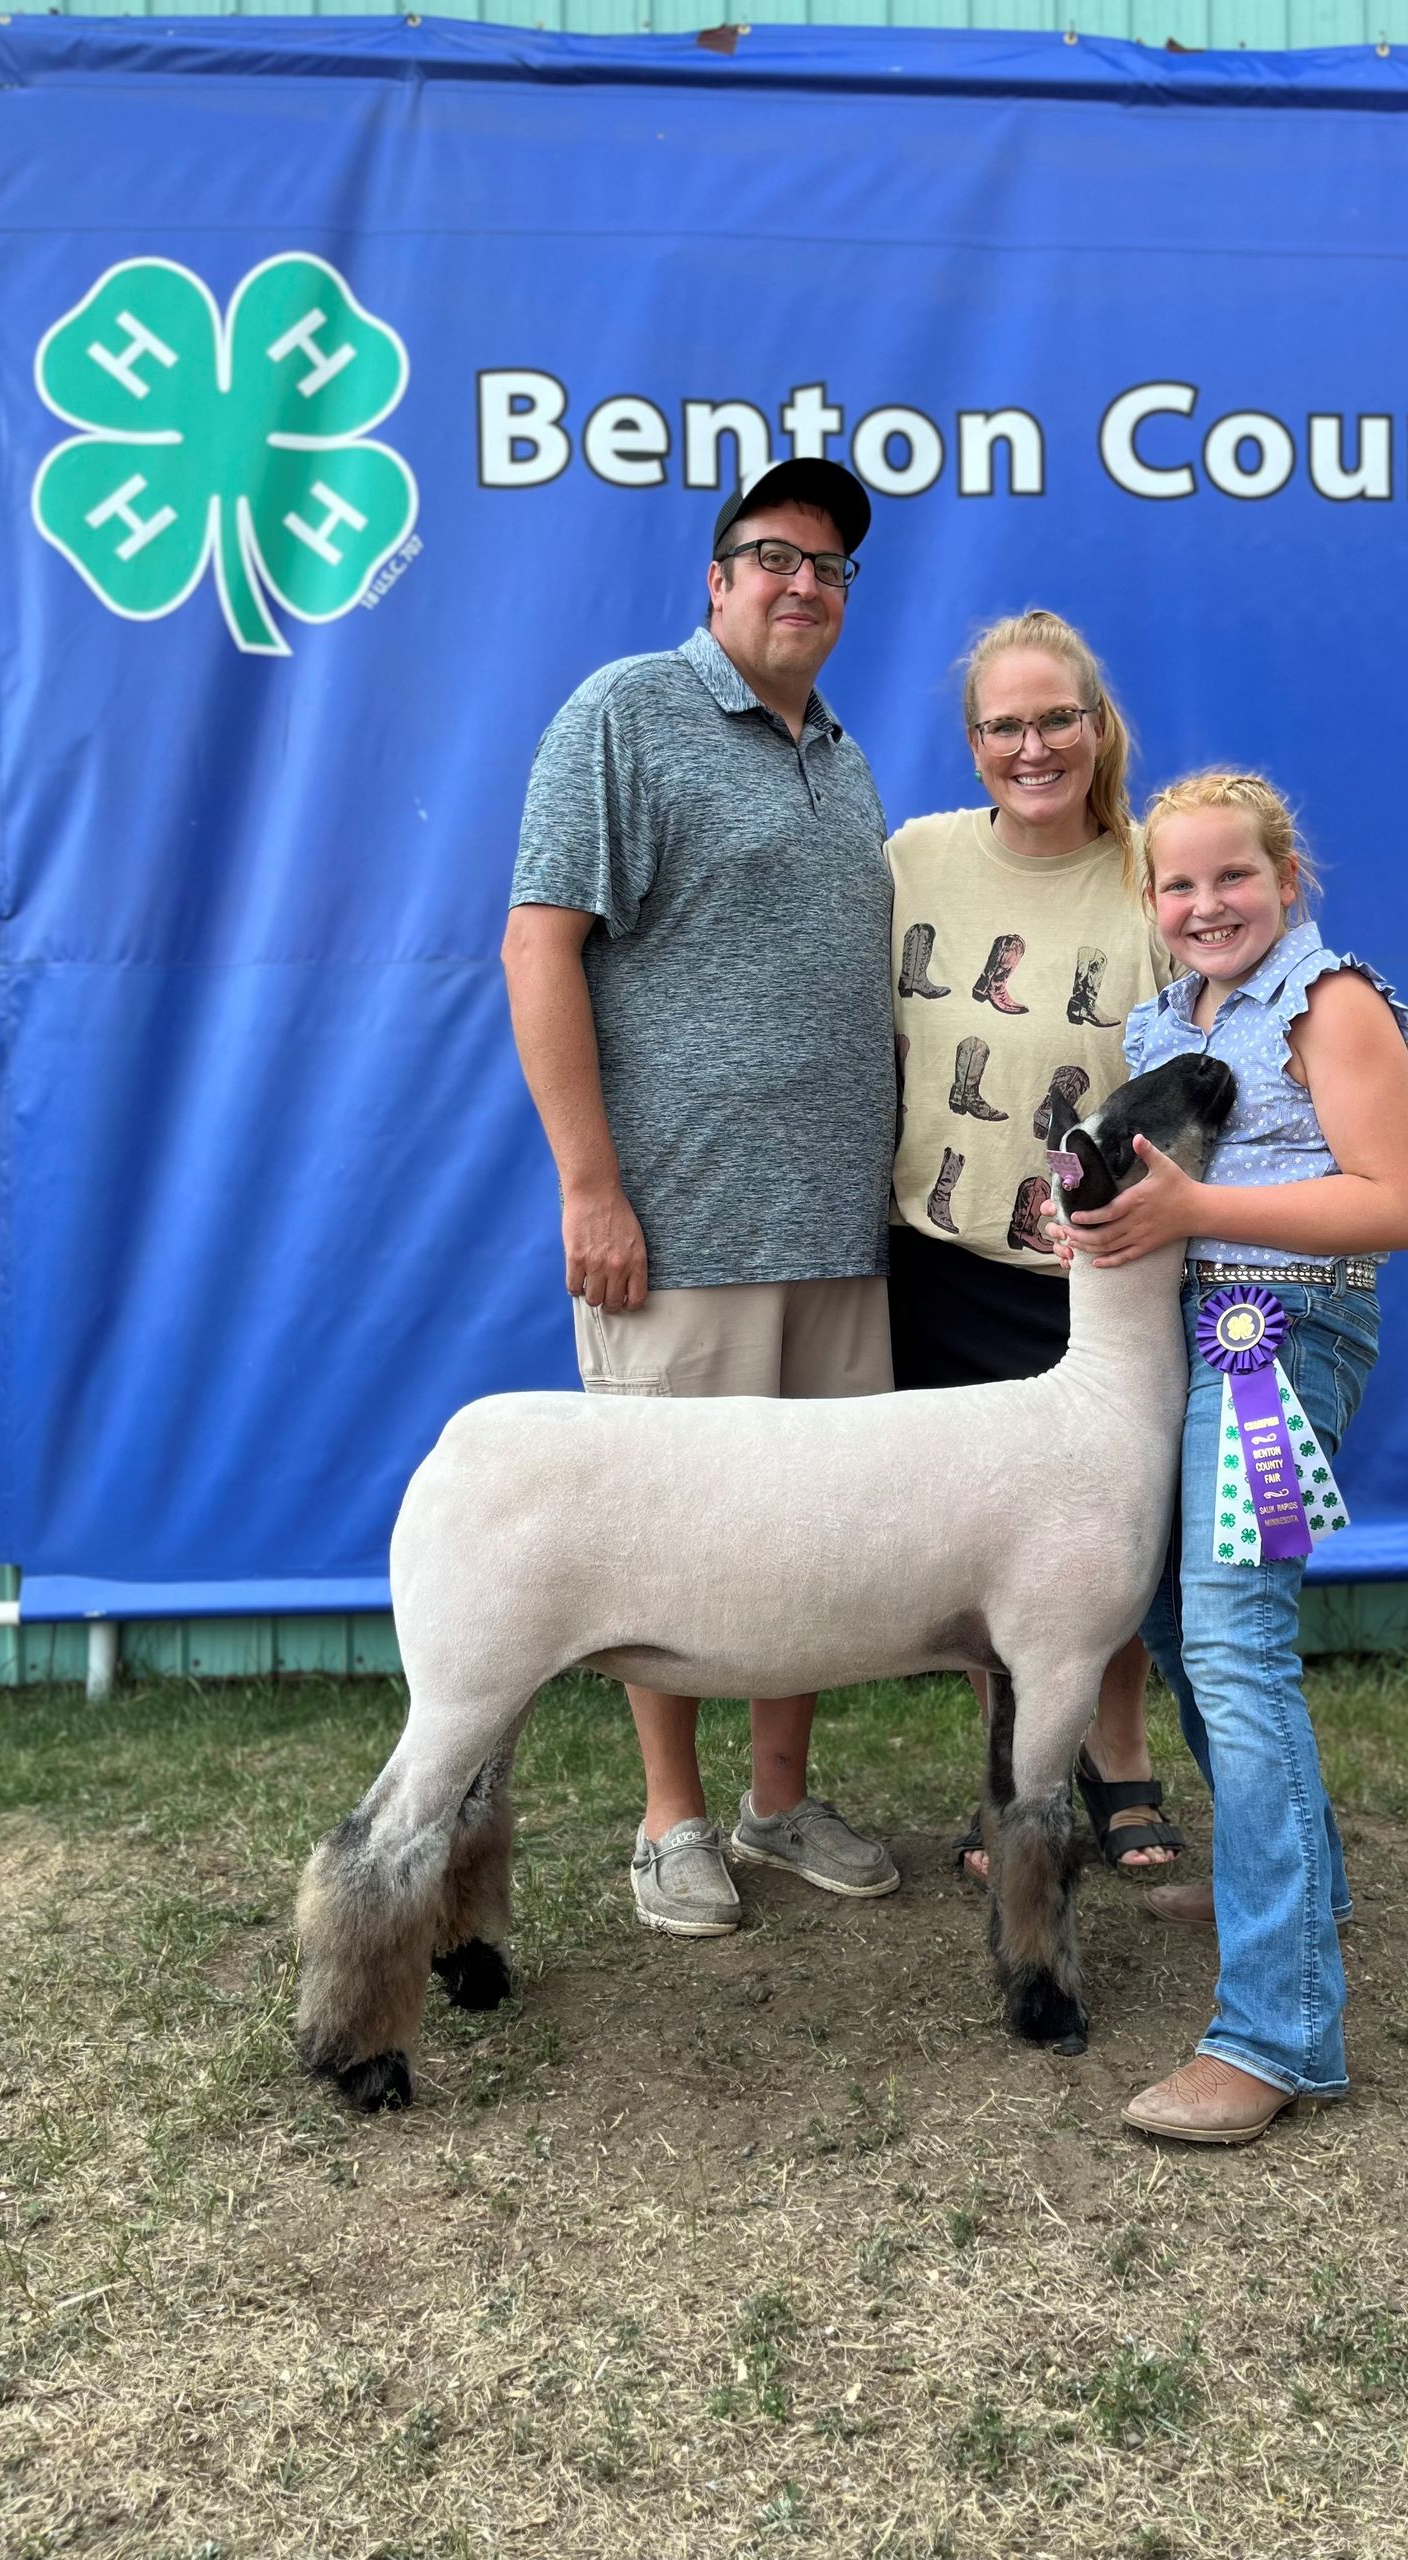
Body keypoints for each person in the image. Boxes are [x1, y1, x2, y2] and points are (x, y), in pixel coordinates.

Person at [502, 458, 901, 1937]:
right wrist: (592, 1188)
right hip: (677, 1231)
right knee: (665, 1535)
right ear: (715, 579)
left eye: (834, 568)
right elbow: (541, 947)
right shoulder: (627, 712)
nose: (806, 584)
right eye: (774, 557)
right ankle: (670, 1822)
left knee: (813, 1538)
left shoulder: (843, 753)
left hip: (841, 1234)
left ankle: (778, 1803)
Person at [1063, 769, 1408, 2143]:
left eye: (1235, 877)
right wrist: (1095, 1226)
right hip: (1184, 1340)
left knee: (1232, 1642)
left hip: (1280, 1337)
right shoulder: (1166, 1019)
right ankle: (1303, 1880)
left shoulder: (1332, 1006)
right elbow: (1149, 1208)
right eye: (1179, 884)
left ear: (1290, 877)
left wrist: (1195, 1206)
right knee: (1169, 1618)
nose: (1207, 903)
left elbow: (1399, 1203)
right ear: (1151, 901)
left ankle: (1275, 2031)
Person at [886, 607, 1182, 1878]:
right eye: (1003, 725)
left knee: (1099, 1547)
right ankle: (1016, 1782)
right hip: (943, 1254)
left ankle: (1117, 1762)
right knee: (980, 1544)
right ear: (972, 744)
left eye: (1057, 717)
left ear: (1098, 724)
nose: (1033, 744)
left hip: (1098, 1277)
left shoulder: (1155, 874)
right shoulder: (912, 858)